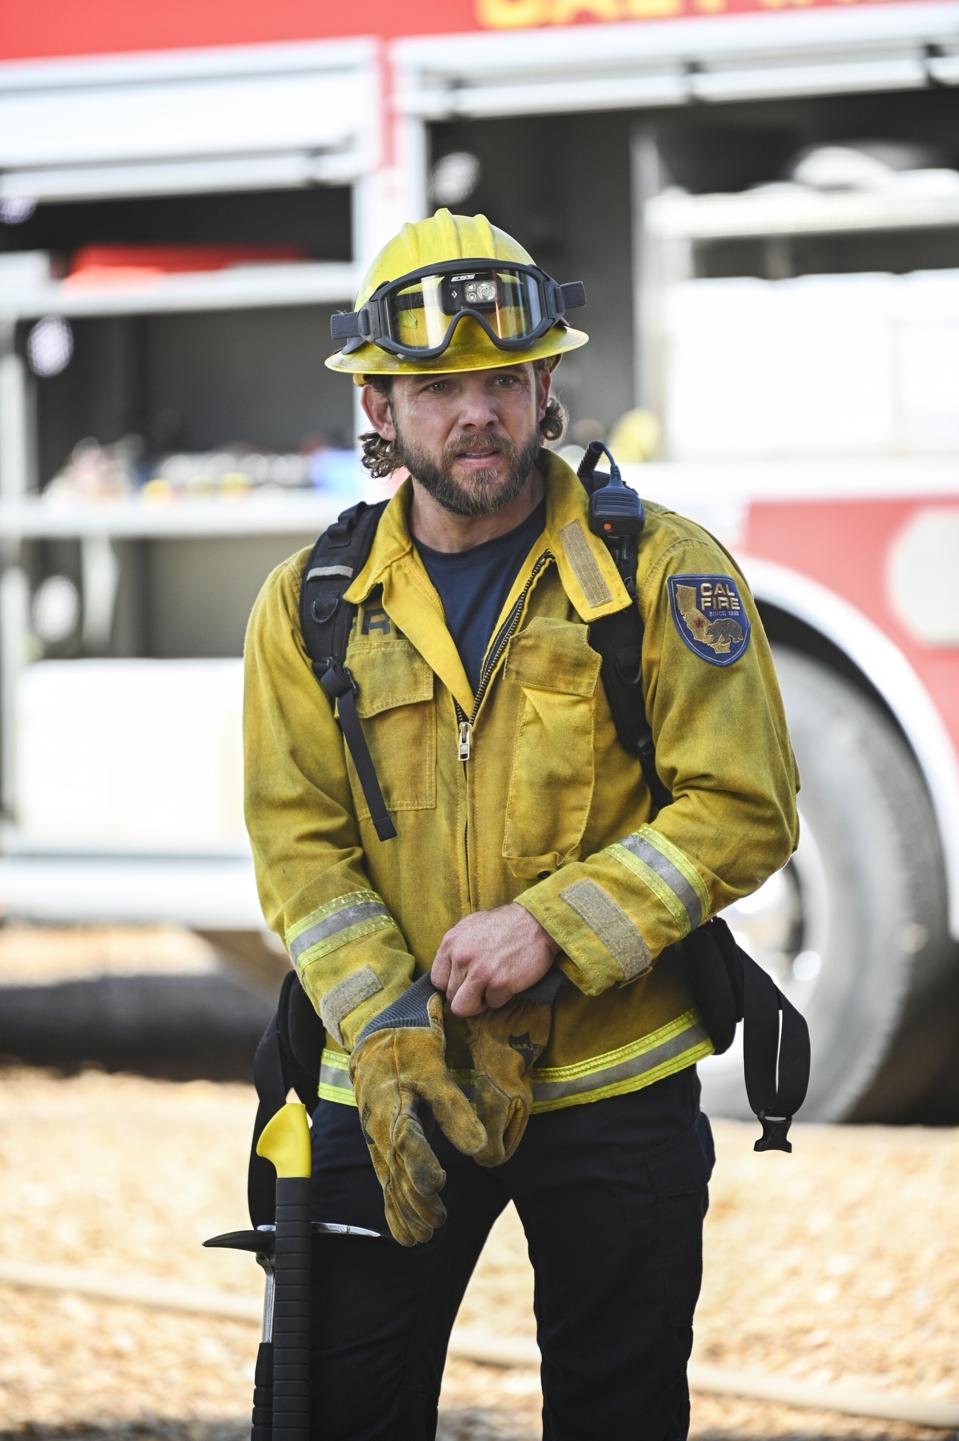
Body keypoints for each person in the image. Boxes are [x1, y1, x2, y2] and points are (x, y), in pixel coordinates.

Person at [242, 208, 800, 1441]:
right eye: (435, 388)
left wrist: (549, 930)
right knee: (328, 1412)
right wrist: (389, 1035)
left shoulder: (658, 572)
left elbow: (741, 808)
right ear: (378, 407)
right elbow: (300, 849)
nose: (475, 410)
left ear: (547, 381)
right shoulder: (310, 608)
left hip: (615, 1084)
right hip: (384, 1086)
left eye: (503, 376)